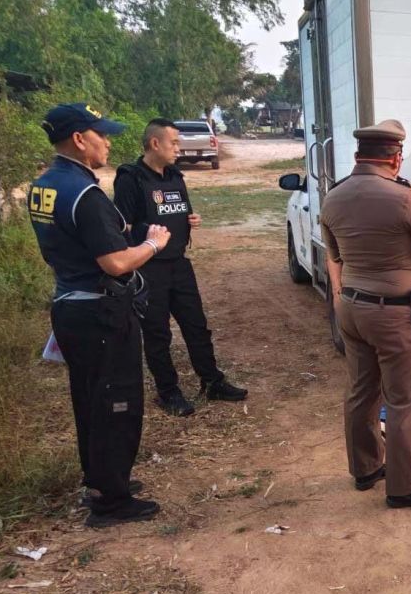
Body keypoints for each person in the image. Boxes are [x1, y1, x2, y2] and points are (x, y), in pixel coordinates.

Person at [28, 103, 170, 528]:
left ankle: (103, 480)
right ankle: (111, 501)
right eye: (101, 135)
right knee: (116, 402)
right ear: (79, 139)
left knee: (89, 399)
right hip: (100, 312)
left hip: (70, 305)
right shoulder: (84, 194)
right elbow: (115, 262)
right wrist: (153, 245)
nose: (107, 143)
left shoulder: (45, 184)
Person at [320, 119, 411, 508]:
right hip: (394, 314)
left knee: (361, 391)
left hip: (352, 308)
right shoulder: (404, 198)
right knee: (403, 400)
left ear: (358, 156)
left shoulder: (334, 196)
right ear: (395, 158)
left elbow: (335, 254)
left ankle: (365, 468)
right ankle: (404, 487)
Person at [113, 118, 247, 416]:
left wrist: (190, 220)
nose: (178, 148)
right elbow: (123, 227)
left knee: (196, 325)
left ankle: (212, 382)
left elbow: (179, 210)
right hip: (149, 267)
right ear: (155, 143)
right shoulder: (131, 178)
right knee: (157, 333)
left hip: (178, 264)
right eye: (173, 142)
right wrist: (147, 235)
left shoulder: (174, 175)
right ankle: (168, 392)